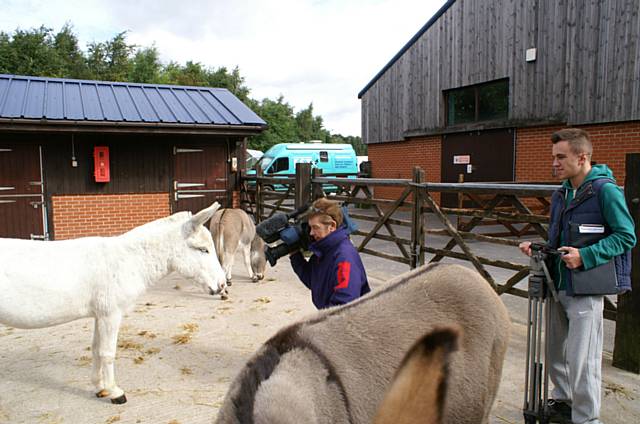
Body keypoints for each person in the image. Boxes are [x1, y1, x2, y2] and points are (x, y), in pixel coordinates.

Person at [519, 128, 636, 424]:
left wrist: (586, 256)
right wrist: (539, 247)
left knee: (582, 361)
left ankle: (586, 419)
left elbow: (626, 236)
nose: (554, 163)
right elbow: (559, 239)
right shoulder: (562, 194)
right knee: (556, 354)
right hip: (557, 284)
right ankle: (564, 403)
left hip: (586, 288)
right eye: (553, 157)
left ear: (582, 157)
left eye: (561, 157)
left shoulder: (605, 191)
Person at [290, 197, 371, 309]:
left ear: (332, 226)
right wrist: (294, 254)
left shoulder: (344, 257)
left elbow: (344, 304)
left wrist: (323, 323)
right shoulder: (323, 250)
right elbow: (312, 281)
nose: (311, 233)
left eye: (315, 227)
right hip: (330, 317)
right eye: (310, 228)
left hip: (348, 321)